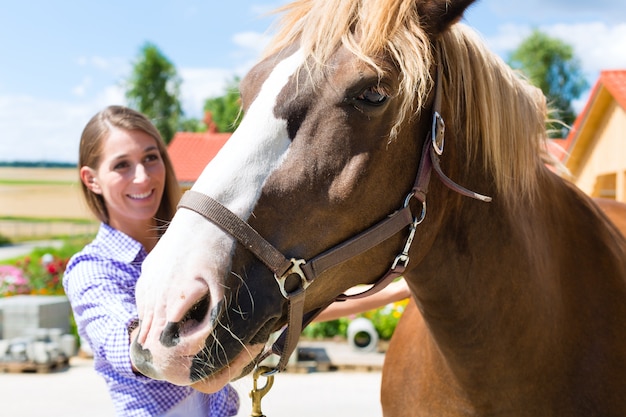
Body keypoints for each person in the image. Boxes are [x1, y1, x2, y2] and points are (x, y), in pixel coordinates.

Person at [63, 105, 239, 417]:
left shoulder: (188, 249)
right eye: (121, 166)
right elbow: (131, 350)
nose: (142, 178)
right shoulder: (91, 269)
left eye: (150, 158)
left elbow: (259, 301)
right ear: (92, 180)